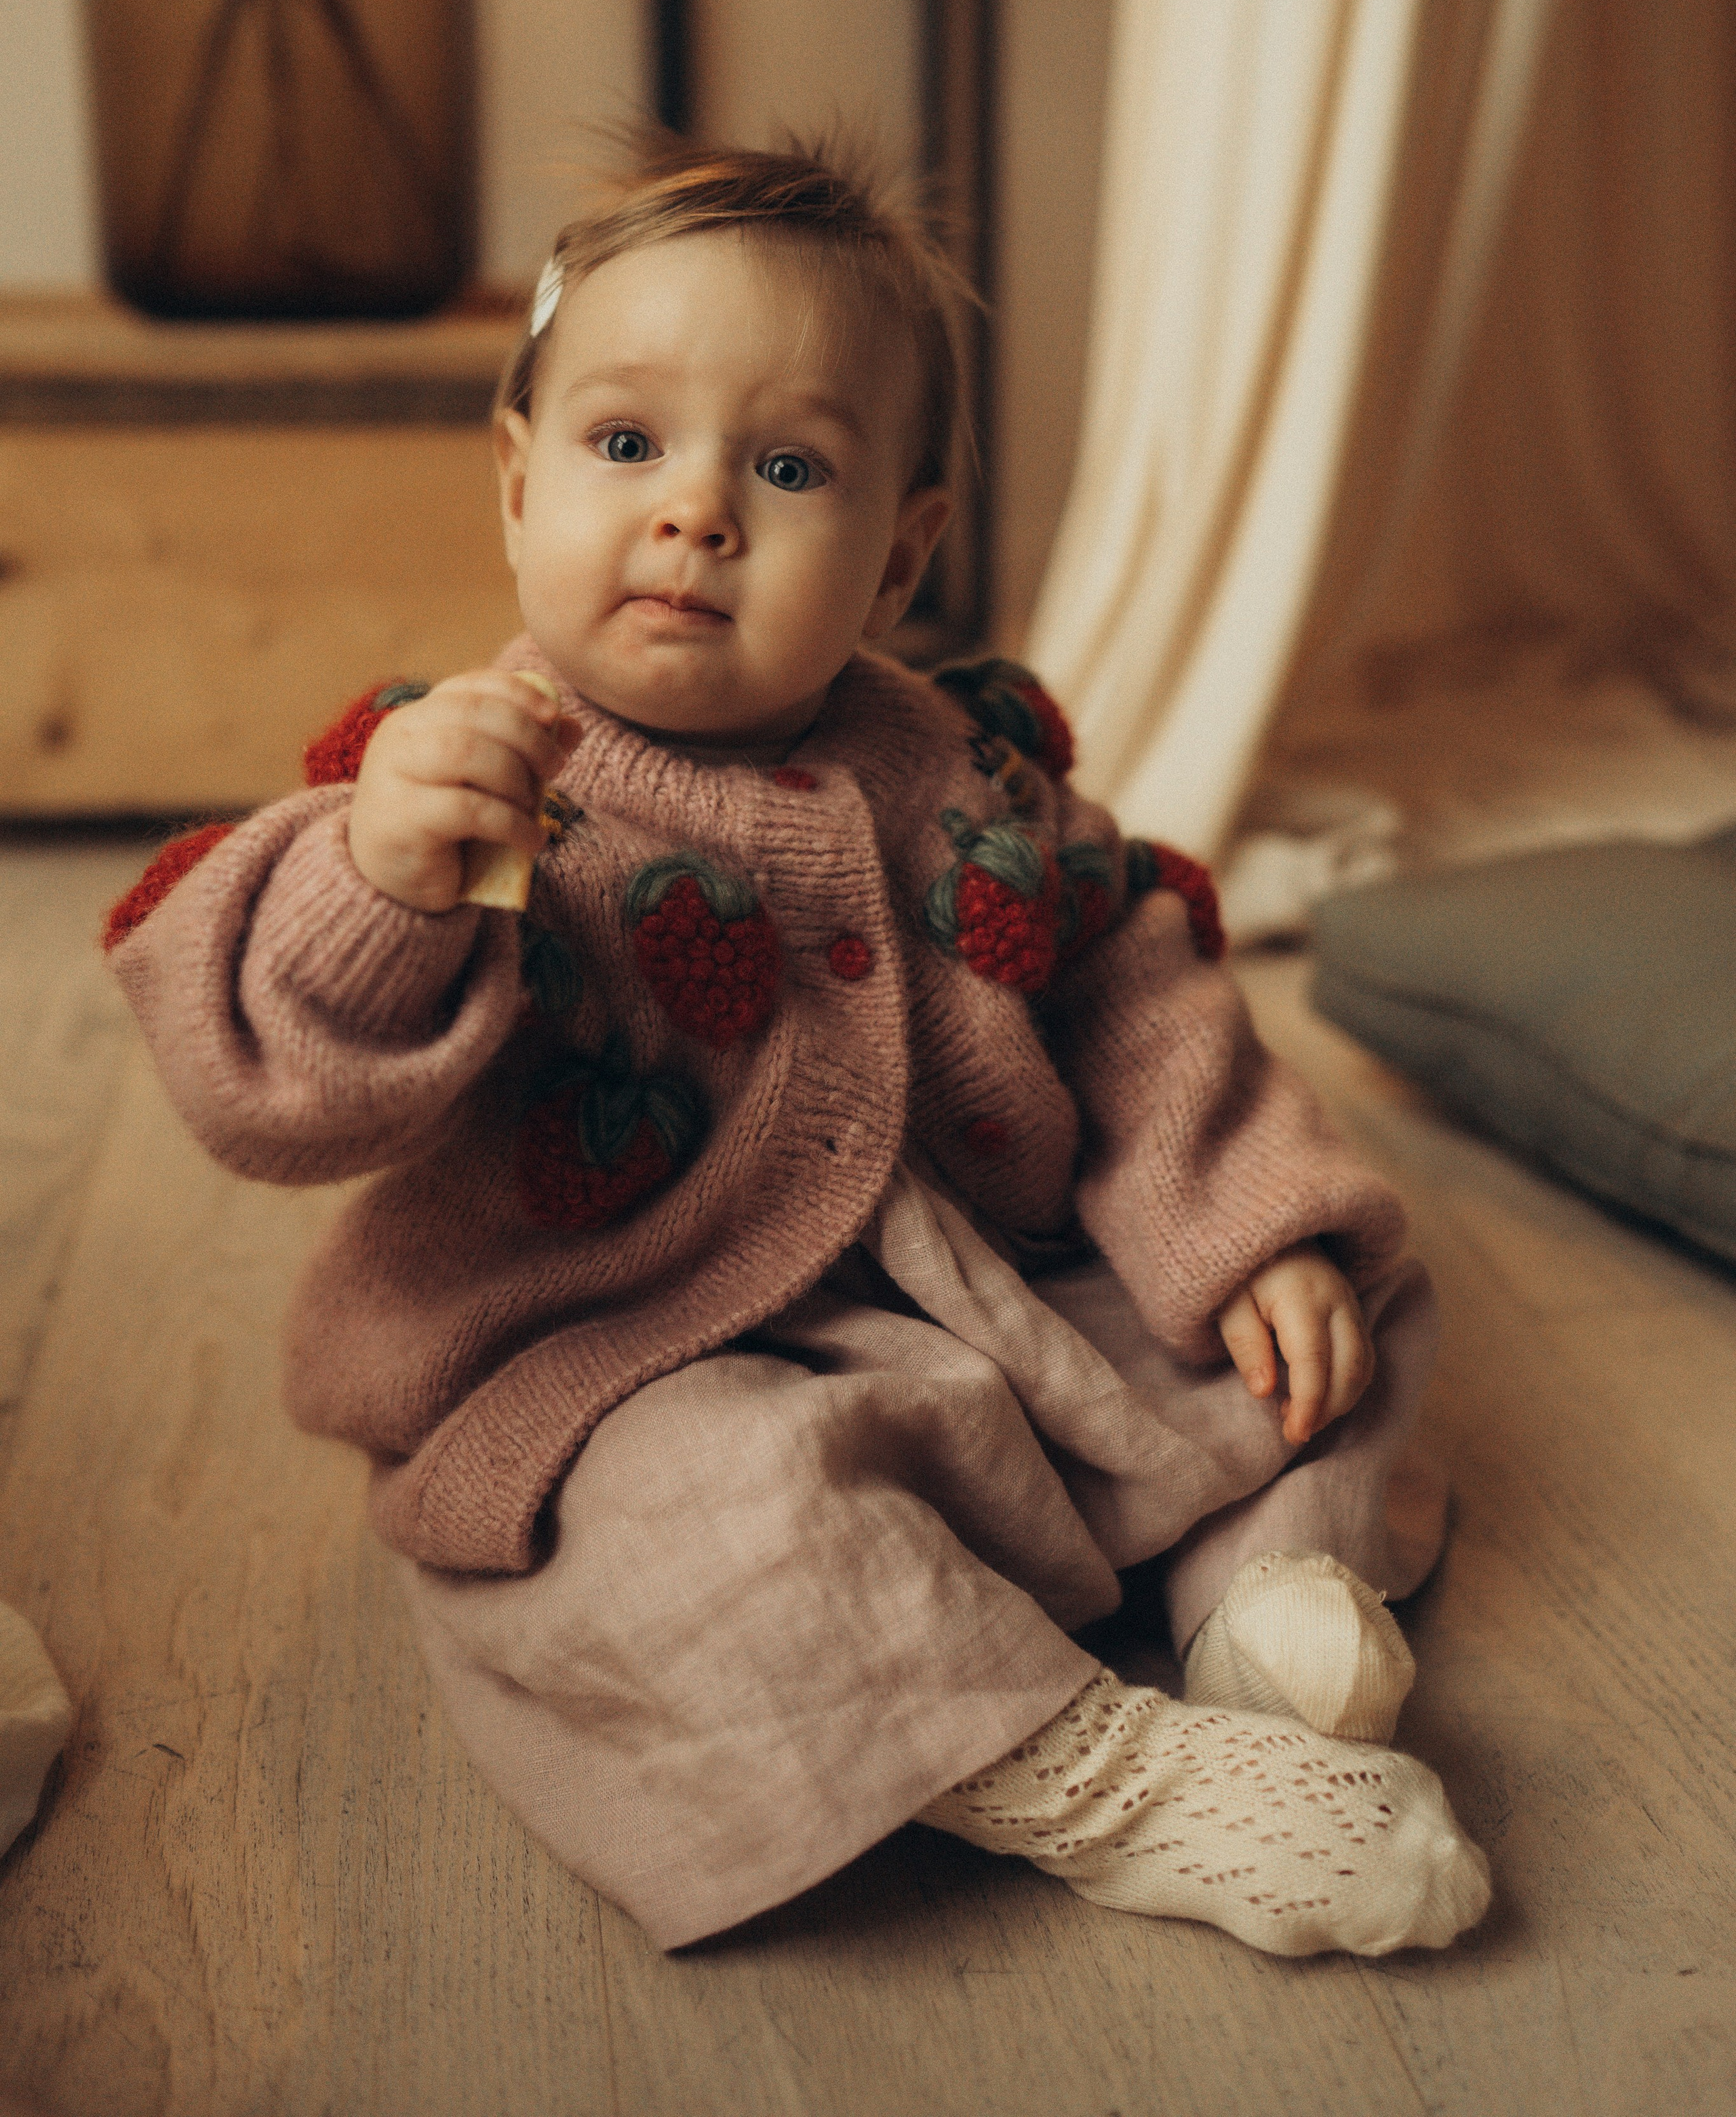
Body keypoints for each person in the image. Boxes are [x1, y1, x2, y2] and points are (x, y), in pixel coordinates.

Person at [106, 136, 1489, 1961]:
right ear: (518, 488)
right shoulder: (469, 775)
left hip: (993, 1295)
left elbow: (1131, 990)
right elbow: (268, 1066)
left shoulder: (965, 770)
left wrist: (1240, 1225)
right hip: (632, 1346)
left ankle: (1266, 1596)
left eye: (786, 465)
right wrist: (382, 877)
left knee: (1333, 1311)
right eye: (625, 446)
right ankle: (1094, 1775)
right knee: (697, 1530)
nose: (696, 513)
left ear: (902, 548)